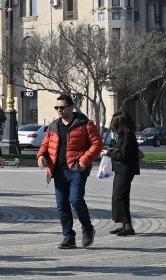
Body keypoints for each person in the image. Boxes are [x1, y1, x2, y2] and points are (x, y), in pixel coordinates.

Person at [37, 94, 103, 250]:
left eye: (62, 107)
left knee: (75, 200)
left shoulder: (85, 124)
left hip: (76, 170)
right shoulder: (53, 126)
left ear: (71, 107)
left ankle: (88, 228)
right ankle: (68, 236)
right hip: (58, 171)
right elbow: (45, 145)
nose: (59, 110)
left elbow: (97, 144)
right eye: (57, 107)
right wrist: (40, 156)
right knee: (62, 205)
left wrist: (84, 160)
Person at [101, 110, 140, 236]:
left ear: (122, 124)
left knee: (120, 197)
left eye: (115, 124)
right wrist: (112, 151)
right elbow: (120, 152)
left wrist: (109, 153)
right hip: (121, 170)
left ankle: (128, 226)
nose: (113, 127)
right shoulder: (124, 136)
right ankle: (123, 224)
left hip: (125, 170)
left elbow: (122, 155)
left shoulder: (129, 137)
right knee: (119, 197)